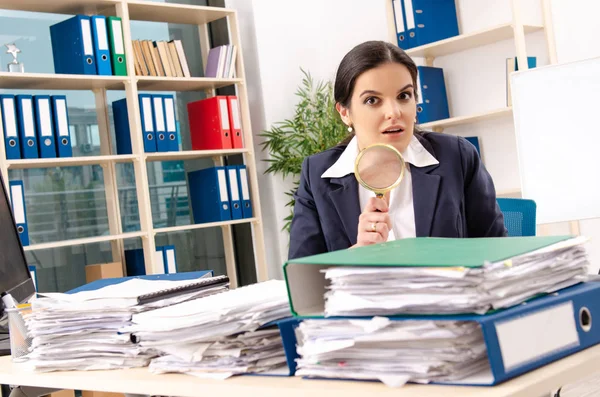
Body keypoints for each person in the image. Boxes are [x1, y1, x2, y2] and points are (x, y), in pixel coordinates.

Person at [288, 40, 507, 260]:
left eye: (404, 96)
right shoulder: (317, 175)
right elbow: (302, 278)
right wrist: (356, 254)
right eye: (372, 100)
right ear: (345, 112)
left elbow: (500, 254)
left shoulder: (457, 157)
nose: (393, 112)